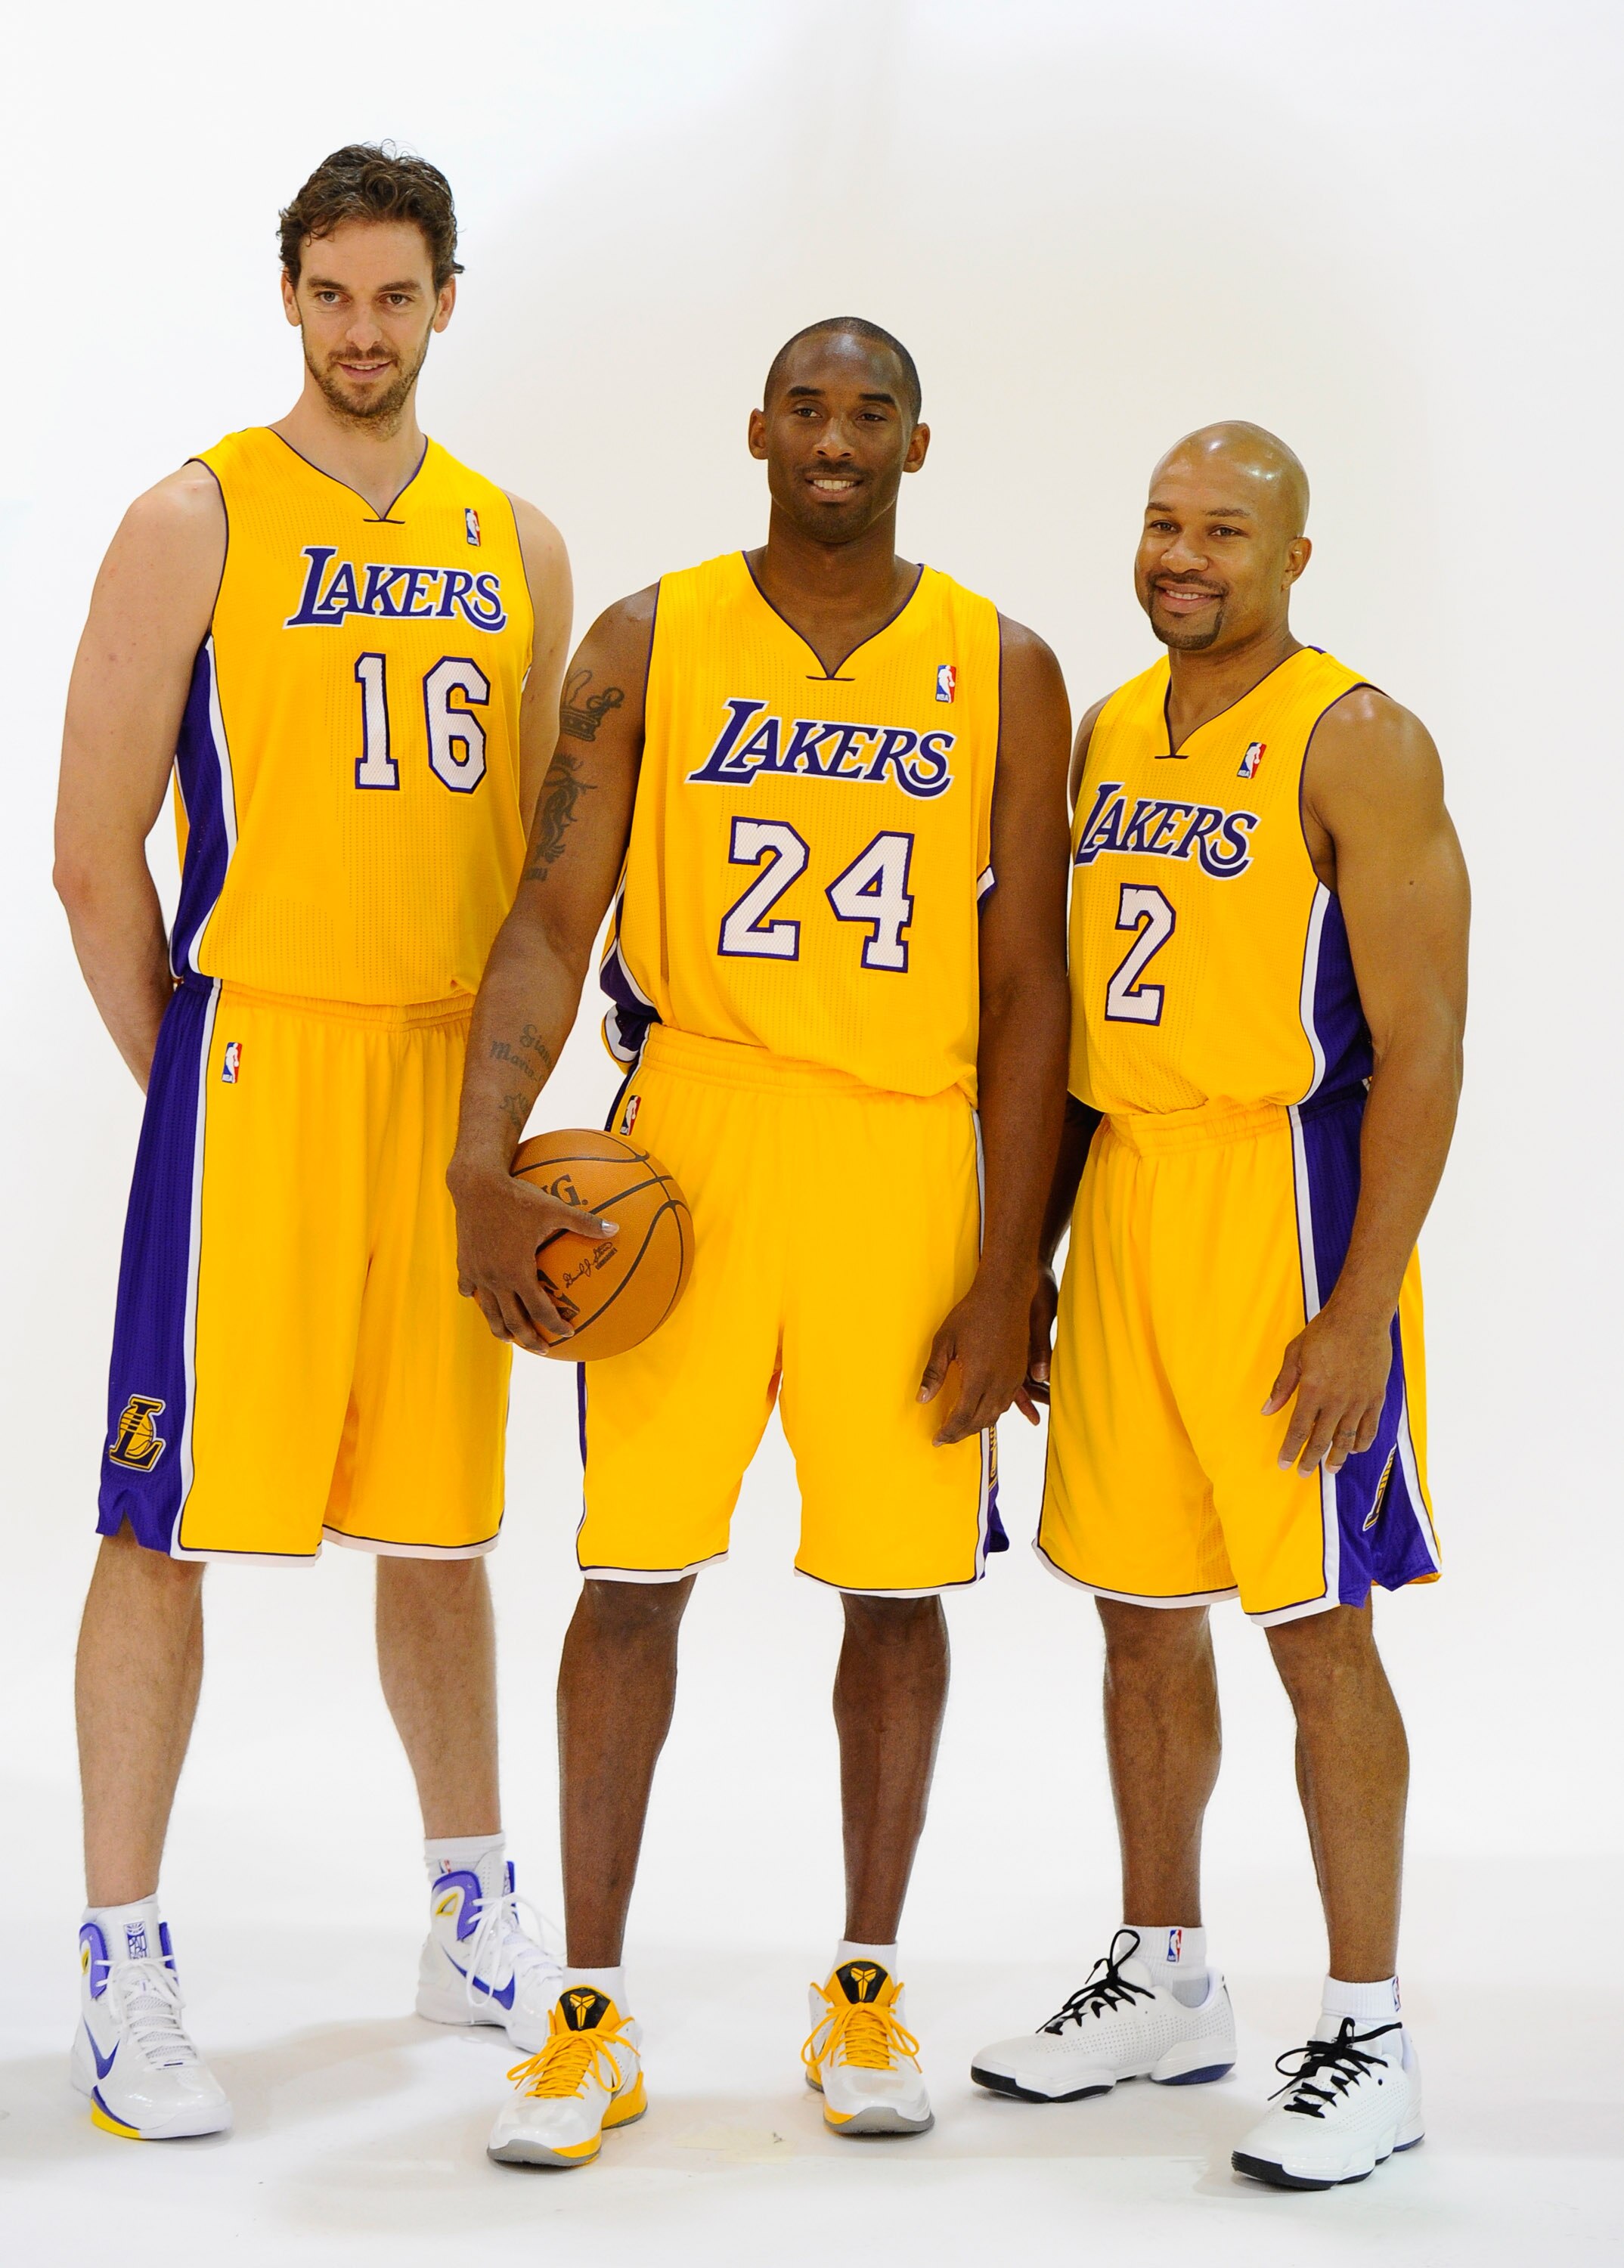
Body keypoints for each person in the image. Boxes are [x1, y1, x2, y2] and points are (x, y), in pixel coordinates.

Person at [448, 318, 1071, 2168]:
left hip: (902, 1155)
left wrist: (1009, 1259)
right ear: (756, 429)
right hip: (689, 1145)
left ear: (918, 443)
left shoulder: (1006, 665)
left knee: (897, 1588)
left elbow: (1032, 985)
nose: (836, 437)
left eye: (870, 411)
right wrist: (488, 1158)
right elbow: (557, 919)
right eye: (808, 406)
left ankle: (866, 1984)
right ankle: (589, 2016)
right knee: (630, 1574)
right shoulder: (649, 639)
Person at [55, 144, 578, 2142]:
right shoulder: (194, 517)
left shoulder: (512, 544)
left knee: (442, 1527)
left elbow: (545, 872)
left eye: (398, 296)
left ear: (447, 301)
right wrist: (186, 1091)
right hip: (258, 1068)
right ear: (290, 296)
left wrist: (515, 1106)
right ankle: (123, 1958)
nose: (365, 332)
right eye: (333, 295)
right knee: (165, 1521)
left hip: (446, 1096)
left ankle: (471, 1911)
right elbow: (93, 864)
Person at [970, 424, 1468, 2191]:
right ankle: (1168, 1971)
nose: (1186, 556)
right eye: (1166, 524)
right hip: (1127, 1206)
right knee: (1138, 1606)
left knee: (1316, 1630)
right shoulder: (1109, 728)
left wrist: (1361, 1310)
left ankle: (1370, 2031)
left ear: (1297, 557)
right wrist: (1026, 1259)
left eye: (1228, 532)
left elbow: (1423, 1051)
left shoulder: (1357, 737)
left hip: (1282, 1197)